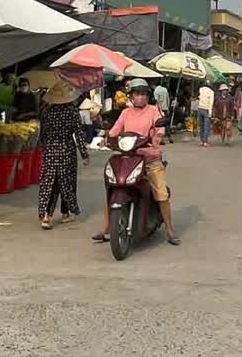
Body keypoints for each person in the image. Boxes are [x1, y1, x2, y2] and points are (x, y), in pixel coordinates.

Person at [92, 79, 180, 245]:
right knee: (112, 187)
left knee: (161, 193)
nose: (141, 97)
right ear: (131, 96)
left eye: (144, 94)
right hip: (129, 157)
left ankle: (169, 230)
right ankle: (107, 228)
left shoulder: (153, 111)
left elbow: (160, 129)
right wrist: (107, 139)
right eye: (137, 94)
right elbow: (115, 130)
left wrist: (158, 137)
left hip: (150, 159)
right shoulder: (126, 113)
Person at [38, 75, 90, 228]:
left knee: (49, 182)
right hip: (67, 151)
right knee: (66, 182)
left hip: (50, 151)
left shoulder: (46, 112)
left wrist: (44, 148)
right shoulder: (72, 112)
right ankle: (65, 213)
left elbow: (42, 134)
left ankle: (46, 216)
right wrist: (84, 155)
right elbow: (79, 135)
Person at [196, 80, 215, 147]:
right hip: (206, 110)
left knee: (201, 126)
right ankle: (205, 142)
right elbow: (211, 103)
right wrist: (210, 113)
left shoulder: (200, 89)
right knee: (206, 127)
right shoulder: (211, 92)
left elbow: (198, 98)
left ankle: (201, 141)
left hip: (200, 108)